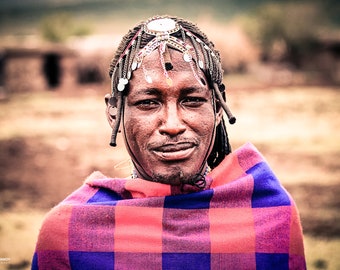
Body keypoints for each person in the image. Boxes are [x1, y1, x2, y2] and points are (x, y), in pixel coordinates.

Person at [32, 15, 306, 269]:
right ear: (114, 112)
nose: (173, 125)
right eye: (148, 103)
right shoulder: (70, 234)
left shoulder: (270, 214)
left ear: (218, 108)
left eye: (193, 100)